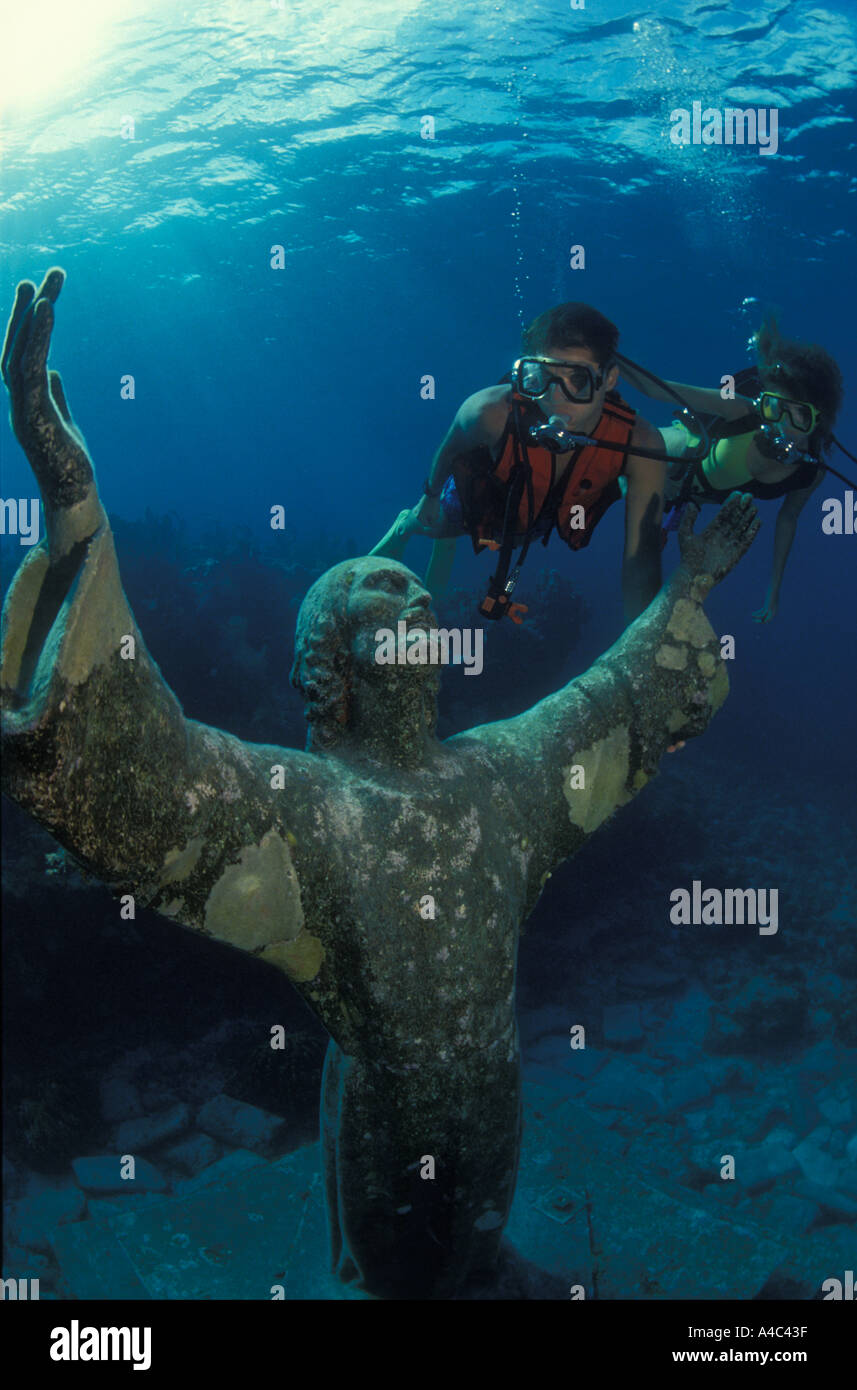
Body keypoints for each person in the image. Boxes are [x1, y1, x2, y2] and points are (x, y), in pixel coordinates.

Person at [1, 268, 760, 1299]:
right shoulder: (302, 807)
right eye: (373, 586)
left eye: (407, 579)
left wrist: (697, 584)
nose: (404, 590)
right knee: (394, 1270)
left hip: (494, 1104)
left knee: (477, 1246)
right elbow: (140, 767)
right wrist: (75, 501)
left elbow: (615, 699)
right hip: (384, 1123)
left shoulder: (504, 770)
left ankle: (486, 1265)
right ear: (330, 659)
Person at [371, 303, 667, 624]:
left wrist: (642, 644)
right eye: (541, 377)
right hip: (483, 498)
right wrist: (429, 496)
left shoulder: (641, 445)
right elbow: (451, 447)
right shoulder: (488, 412)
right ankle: (406, 524)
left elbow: (643, 561)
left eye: (577, 380)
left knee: (516, 536)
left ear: (608, 379)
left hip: (535, 516)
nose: (556, 398)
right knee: (442, 525)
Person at [619, 318, 844, 623]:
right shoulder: (741, 410)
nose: (781, 426)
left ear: (820, 422)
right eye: (774, 407)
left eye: (800, 417)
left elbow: (788, 518)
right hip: (653, 461)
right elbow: (657, 388)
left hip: (676, 500)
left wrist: (773, 590)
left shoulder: (809, 472)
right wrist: (607, 355)